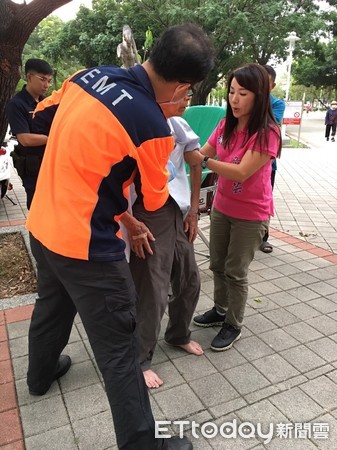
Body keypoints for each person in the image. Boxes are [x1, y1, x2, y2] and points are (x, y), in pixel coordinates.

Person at [26, 23, 214, 450]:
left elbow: (48, 117)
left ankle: (40, 375)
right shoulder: (153, 125)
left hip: (43, 222)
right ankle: (145, 444)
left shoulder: (89, 76)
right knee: (119, 351)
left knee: (51, 304)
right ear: (185, 85)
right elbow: (152, 199)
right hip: (89, 248)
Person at [192, 63, 281, 351]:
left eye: (243, 93)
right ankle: (220, 310)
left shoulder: (267, 132)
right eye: (231, 91)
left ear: (259, 96)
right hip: (222, 207)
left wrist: (202, 160)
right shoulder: (225, 125)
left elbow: (241, 171)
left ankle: (233, 323)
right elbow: (203, 151)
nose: (234, 99)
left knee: (235, 271)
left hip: (251, 215)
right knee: (217, 264)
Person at [121, 91, 203, 390]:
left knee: (190, 278)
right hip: (145, 214)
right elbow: (115, 180)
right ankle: (139, 358)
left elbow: (197, 164)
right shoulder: (135, 124)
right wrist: (130, 223)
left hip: (176, 210)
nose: (185, 102)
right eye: (180, 95)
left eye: (188, 94)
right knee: (152, 288)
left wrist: (194, 210)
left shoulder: (178, 126)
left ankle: (178, 334)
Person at [6, 58, 53, 209]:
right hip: (31, 166)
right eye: (43, 79)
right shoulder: (17, 104)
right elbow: (25, 139)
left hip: (49, 162)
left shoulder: (46, 103)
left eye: (49, 81)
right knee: (37, 208)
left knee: (52, 206)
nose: (46, 85)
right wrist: (55, 138)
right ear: (29, 77)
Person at [259, 64, 285, 253]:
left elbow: (268, 125)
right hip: (239, 161)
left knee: (263, 199)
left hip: (267, 164)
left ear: (272, 86)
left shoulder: (277, 104)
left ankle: (263, 238)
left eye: (264, 83)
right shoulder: (244, 101)